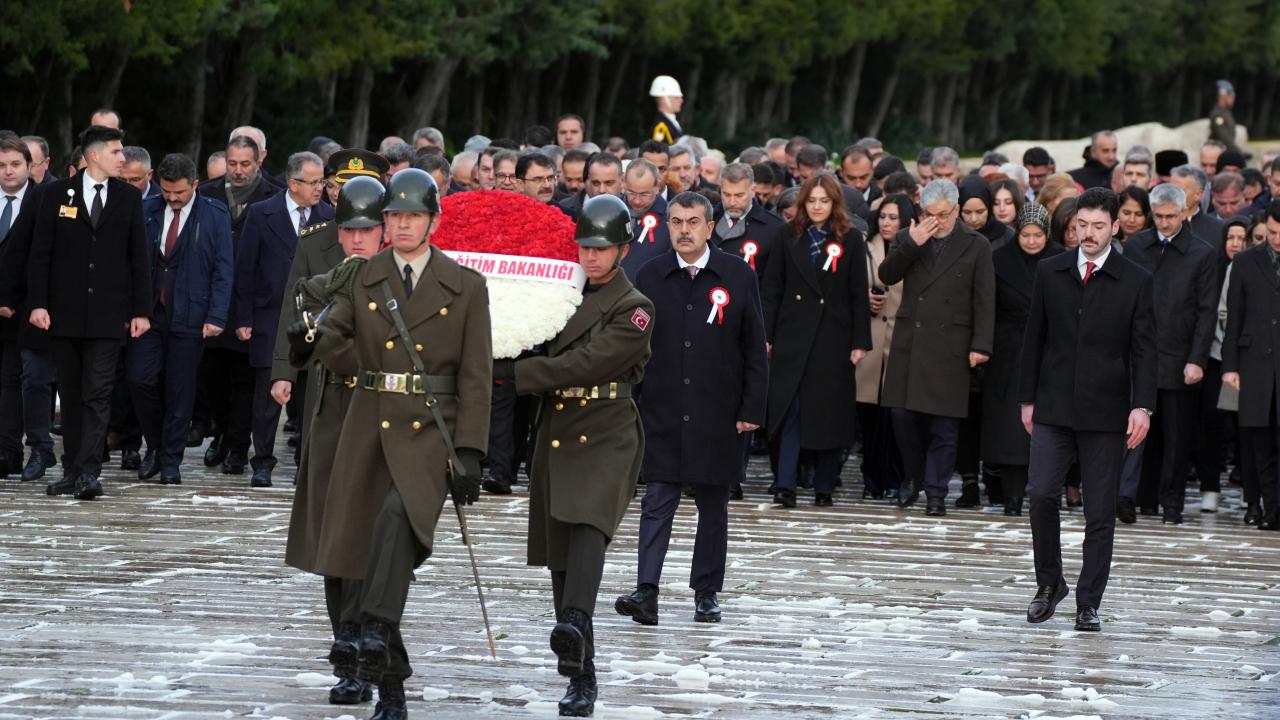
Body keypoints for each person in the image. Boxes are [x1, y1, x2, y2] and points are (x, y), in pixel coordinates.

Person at [310, 169, 491, 717]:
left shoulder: (465, 285)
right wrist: (326, 347)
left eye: (413, 215)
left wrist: (470, 453)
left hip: (430, 432)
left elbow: (476, 378)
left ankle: (376, 627)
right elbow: (333, 337)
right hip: (367, 425)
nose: (402, 224)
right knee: (368, 548)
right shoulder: (363, 278)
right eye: (394, 216)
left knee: (395, 525)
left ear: (433, 220)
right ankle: (390, 686)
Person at [495, 194, 653, 717]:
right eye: (585, 246)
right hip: (558, 428)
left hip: (607, 430)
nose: (590, 256)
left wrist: (517, 378)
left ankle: (576, 624)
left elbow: (588, 362)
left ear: (623, 250)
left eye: (602, 248)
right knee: (562, 552)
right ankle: (580, 673)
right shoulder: (558, 296)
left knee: (589, 526)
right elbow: (533, 340)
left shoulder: (635, 309)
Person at [616, 190, 767, 627]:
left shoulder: (736, 276)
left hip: (717, 410)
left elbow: (754, 347)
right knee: (657, 500)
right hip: (661, 407)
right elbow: (631, 344)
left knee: (713, 505)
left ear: (710, 225)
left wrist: (751, 408)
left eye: (693, 222)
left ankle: (706, 592)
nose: (684, 230)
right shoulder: (649, 274)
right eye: (676, 221)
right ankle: (647, 590)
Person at [1019, 186, 1156, 631]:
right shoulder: (1051, 271)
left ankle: (1088, 601)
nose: (1089, 233)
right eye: (1082, 225)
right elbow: (1033, 339)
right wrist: (1027, 399)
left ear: (1115, 227)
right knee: (1040, 493)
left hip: (1108, 410)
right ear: (1073, 224)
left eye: (1099, 226)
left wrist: (1143, 407)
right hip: (1053, 405)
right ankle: (1049, 584)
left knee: (1100, 511)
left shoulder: (1135, 279)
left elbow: (1145, 350)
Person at [275, 175, 386, 707]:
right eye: (350, 230)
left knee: (363, 537)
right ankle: (343, 644)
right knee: (327, 537)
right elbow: (296, 330)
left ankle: (363, 647)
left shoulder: (396, 281)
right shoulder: (322, 276)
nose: (357, 240)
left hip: (375, 414)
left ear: (384, 231)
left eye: (367, 230)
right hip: (327, 414)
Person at [26, 125, 151, 500]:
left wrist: (141, 310)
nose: (122, 158)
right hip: (63, 313)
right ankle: (72, 469)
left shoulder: (128, 198)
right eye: (116, 152)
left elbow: (139, 259)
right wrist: (38, 303)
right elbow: (40, 254)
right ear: (93, 155)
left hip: (108, 315)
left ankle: (89, 472)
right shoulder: (53, 194)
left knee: (98, 393)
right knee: (72, 393)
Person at [879, 179, 995, 516]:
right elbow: (887, 275)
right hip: (910, 343)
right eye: (931, 214)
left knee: (945, 426)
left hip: (952, 345)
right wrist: (912, 244)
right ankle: (915, 477)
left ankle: (936, 493)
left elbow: (985, 300)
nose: (938, 220)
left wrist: (981, 344)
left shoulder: (977, 245)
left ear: (957, 210)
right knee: (901, 416)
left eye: (944, 214)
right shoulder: (908, 237)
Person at [761, 174, 873, 507]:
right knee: (790, 410)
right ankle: (785, 483)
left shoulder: (851, 239)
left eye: (825, 200)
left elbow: (857, 294)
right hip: (792, 335)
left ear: (835, 203)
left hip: (833, 338)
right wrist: (766, 334)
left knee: (829, 412)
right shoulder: (785, 236)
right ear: (803, 204)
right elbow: (772, 289)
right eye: (812, 201)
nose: (818, 207)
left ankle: (824, 485)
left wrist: (860, 341)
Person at [127, 153, 233, 485]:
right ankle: (155, 446)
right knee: (139, 379)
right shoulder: (145, 212)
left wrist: (217, 314)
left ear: (196, 186)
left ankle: (170, 459)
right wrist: (131, 309)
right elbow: (130, 265)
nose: (172, 198)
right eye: (167, 191)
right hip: (148, 314)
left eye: (180, 193)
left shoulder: (215, 216)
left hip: (193, 314)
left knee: (180, 389)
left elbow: (223, 269)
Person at [1118, 182, 1218, 525]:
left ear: (1185, 212)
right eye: (1158, 216)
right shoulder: (1136, 247)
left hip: (1179, 358)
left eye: (1170, 216)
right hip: (1140, 356)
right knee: (1138, 431)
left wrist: (1197, 359)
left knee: (1176, 436)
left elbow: (1207, 311)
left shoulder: (1202, 253)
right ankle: (1135, 498)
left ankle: (1171, 503)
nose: (1163, 222)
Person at [234, 151, 334, 488]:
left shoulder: (329, 216)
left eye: (322, 181)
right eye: (314, 182)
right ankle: (262, 461)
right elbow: (245, 268)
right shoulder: (262, 213)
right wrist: (243, 317)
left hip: (314, 320)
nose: (321, 188)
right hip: (269, 317)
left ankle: (305, 462)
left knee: (309, 398)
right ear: (293, 183)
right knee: (267, 396)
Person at [197, 134, 281, 474]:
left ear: (259, 161)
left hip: (252, 301)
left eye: (245, 163)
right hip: (212, 301)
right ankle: (221, 432)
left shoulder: (273, 196)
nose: (238, 170)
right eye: (232, 163)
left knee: (246, 380)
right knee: (211, 377)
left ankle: (237, 444)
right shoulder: (207, 194)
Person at [982, 203, 1065, 516]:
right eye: (1025, 235)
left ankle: (1045, 492)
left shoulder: (1059, 258)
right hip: (1008, 351)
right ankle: (1011, 496)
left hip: (1049, 350)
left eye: (1037, 235)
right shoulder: (1000, 258)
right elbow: (988, 305)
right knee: (1009, 429)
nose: (1031, 241)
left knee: (1046, 426)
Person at [1222, 200, 1280, 530]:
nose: (1276, 239)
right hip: (1254, 362)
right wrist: (1230, 367)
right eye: (1271, 232)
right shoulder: (1244, 262)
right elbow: (1234, 318)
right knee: (1259, 441)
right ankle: (1268, 508)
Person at [0, 134, 50, 482]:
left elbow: (44, 258)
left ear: (29, 166)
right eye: (1, 166)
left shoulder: (45, 199)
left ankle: (35, 449)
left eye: (15, 164)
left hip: (30, 310)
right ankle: (7, 452)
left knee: (31, 380)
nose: (8, 172)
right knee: (5, 382)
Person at [856, 195, 912, 500]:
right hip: (871, 340)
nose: (887, 222)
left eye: (894, 217)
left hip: (900, 339)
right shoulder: (864, 245)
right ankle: (871, 479)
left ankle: (896, 477)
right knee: (870, 417)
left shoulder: (914, 246)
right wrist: (864, 296)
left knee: (896, 417)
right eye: (884, 216)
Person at [711, 162, 783, 278]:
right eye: (727, 195)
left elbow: (774, 282)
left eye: (739, 195)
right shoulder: (706, 219)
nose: (732, 202)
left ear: (753, 190)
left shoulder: (774, 228)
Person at [619, 158, 672, 279]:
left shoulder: (671, 219)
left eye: (644, 194)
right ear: (624, 183)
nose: (637, 201)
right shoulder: (611, 210)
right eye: (631, 192)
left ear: (657, 187)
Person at [1170, 164, 1224, 249]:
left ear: (1198, 194)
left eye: (1180, 191)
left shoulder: (1218, 229)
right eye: (1170, 190)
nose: (1172, 196)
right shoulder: (1155, 223)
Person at [959, 175, 1014, 249]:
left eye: (980, 212)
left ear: (989, 208)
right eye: (967, 212)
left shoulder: (1007, 236)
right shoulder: (950, 236)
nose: (974, 219)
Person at [648, 75, 684, 144]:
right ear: (663, 99)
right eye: (676, 97)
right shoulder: (660, 127)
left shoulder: (671, 122)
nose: (681, 100)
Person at [1209, 80, 1241, 154]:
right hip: (1218, 152)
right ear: (1223, 96)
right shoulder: (1218, 114)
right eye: (1230, 96)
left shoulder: (1226, 112)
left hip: (1226, 151)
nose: (1233, 99)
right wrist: (1238, 152)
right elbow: (1224, 137)